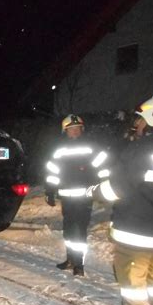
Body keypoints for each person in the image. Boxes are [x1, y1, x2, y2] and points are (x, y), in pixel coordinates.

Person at [87, 95, 153, 305]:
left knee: (134, 287)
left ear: (152, 118)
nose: (138, 124)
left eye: (141, 119)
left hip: (136, 233)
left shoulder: (142, 150)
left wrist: (95, 192)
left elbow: (118, 188)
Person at [45, 114, 109, 276]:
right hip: (67, 197)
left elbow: (104, 169)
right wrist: (50, 192)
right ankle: (70, 259)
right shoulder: (59, 150)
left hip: (84, 197)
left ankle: (78, 264)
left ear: (82, 129)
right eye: (70, 129)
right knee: (68, 230)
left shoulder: (91, 147)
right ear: (65, 131)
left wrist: (103, 189)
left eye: (77, 129)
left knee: (79, 230)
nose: (74, 132)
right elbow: (53, 172)